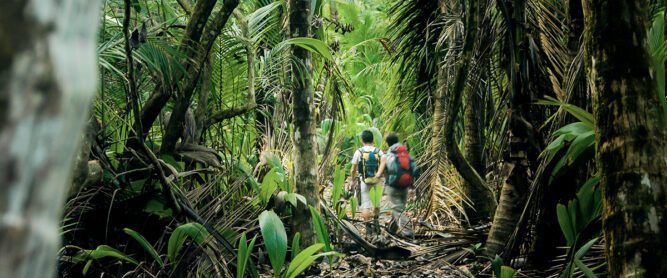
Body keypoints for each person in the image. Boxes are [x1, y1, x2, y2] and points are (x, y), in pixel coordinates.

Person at [376, 132, 417, 238]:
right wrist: (411, 185)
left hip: (393, 185)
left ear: (387, 143)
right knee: (399, 208)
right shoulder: (405, 153)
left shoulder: (389, 154)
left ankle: (408, 233)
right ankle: (392, 229)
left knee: (398, 209)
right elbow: (414, 169)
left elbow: (385, 169)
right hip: (405, 184)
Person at [348, 130, 383, 234]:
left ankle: (368, 228)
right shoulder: (378, 151)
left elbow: (353, 169)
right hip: (376, 181)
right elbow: (382, 165)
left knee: (365, 204)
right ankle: (376, 224)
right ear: (372, 139)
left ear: (362, 140)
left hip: (364, 181)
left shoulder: (359, 152)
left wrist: (353, 180)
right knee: (376, 203)